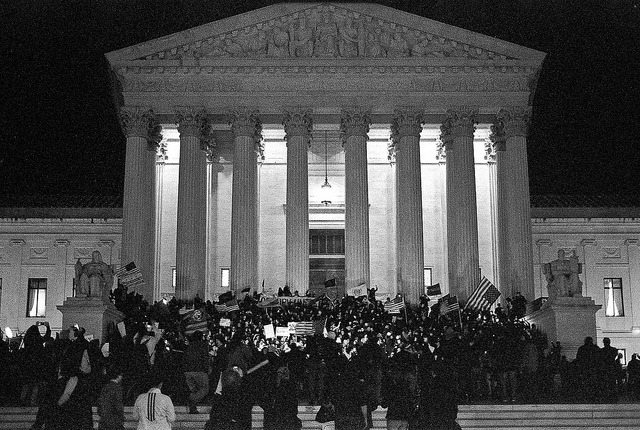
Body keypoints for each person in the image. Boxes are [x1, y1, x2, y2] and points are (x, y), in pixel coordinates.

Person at [182, 330, 210, 414]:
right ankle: (191, 400)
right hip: (199, 370)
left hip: (188, 371)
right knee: (205, 389)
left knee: (194, 390)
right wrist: (207, 369)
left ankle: (193, 408)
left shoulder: (189, 346)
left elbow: (184, 358)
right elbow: (205, 358)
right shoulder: (203, 346)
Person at [98, 365, 125, 430]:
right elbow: (118, 406)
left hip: (103, 422)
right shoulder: (117, 388)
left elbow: (100, 406)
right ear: (119, 376)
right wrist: (121, 418)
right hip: (114, 422)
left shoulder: (105, 387)